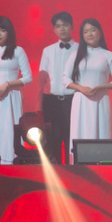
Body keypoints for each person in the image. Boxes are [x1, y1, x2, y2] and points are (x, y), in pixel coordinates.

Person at [65, 17, 112, 151]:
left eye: (92, 30)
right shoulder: (76, 55)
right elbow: (65, 79)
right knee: (81, 134)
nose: (89, 34)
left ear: (100, 32)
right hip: (81, 101)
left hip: (101, 99)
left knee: (101, 133)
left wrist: (102, 87)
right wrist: (81, 88)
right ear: (82, 35)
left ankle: (102, 161)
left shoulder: (108, 55)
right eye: (86, 31)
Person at [0, 16, 32, 165]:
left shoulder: (18, 51)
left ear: (9, 32)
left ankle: (12, 162)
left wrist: (8, 85)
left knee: (11, 129)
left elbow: (28, 77)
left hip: (11, 96)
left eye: (2, 30)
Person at [38, 11, 77, 140]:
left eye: (65, 25)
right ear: (54, 29)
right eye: (58, 26)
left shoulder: (81, 49)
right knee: (52, 141)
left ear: (72, 26)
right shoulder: (48, 51)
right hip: (51, 101)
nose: (62, 28)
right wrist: (38, 104)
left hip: (73, 100)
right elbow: (42, 80)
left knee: (72, 139)